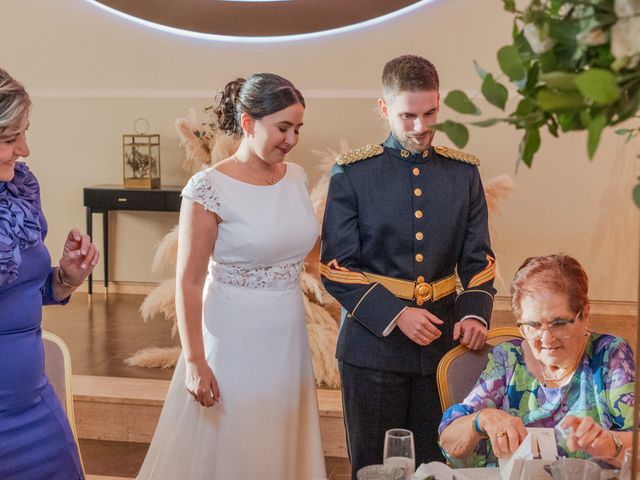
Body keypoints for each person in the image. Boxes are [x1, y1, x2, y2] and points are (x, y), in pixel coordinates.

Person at [137, 73, 327, 479]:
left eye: (297, 128)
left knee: (281, 439)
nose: (292, 139)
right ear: (247, 123)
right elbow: (189, 281)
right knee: (237, 444)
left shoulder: (295, 177)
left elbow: (305, 252)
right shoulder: (208, 189)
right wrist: (194, 362)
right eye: (282, 128)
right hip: (235, 337)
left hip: (288, 335)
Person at [320, 54, 496, 475]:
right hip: (372, 346)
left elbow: (479, 259)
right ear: (384, 109)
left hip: (443, 343)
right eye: (408, 116)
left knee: (437, 465)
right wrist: (396, 313)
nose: (421, 127)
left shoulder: (462, 174)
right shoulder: (353, 174)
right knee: (376, 467)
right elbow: (334, 266)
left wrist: (474, 313)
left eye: (430, 113)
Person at [438, 254, 634, 467]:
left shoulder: (609, 355)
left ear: (584, 314)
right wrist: (481, 419)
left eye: (558, 323)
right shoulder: (508, 358)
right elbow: (449, 444)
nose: (547, 339)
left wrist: (611, 444)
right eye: (533, 325)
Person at [0, 68, 99, 479]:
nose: (24, 148)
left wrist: (64, 278)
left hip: (34, 407)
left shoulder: (19, 189)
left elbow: (22, 288)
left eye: (24, 133)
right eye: (9, 138)